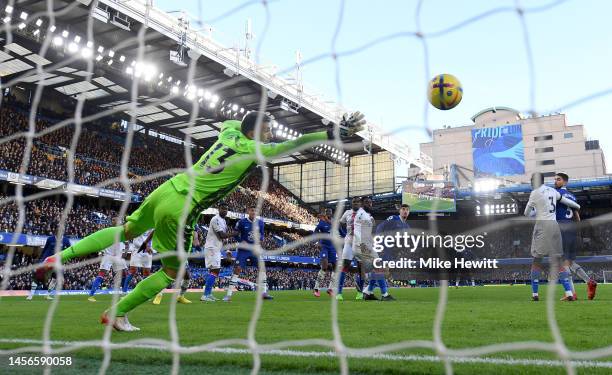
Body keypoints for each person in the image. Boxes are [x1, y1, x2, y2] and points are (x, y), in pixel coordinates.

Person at [42, 111, 365, 331]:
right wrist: (332, 132)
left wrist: (246, 121)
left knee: (127, 230)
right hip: (184, 206)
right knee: (171, 272)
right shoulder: (255, 149)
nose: (269, 133)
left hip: (166, 189)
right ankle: (117, 314)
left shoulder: (228, 131)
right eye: (265, 128)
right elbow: (294, 144)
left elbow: (228, 121)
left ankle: (61, 256)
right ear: (254, 131)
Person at [525, 173, 580, 302]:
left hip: (542, 227)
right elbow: (573, 204)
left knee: (536, 260)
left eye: (532, 181)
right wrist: (577, 207)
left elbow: (526, 213)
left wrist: (536, 210)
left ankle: (535, 294)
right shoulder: (552, 191)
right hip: (555, 227)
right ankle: (568, 292)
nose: (531, 183)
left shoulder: (535, 193)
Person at [554, 172, 597, 300]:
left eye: (558, 179)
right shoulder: (572, 196)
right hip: (571, 229)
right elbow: (577, 215)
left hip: (561, 227)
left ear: (565, 182)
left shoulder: (557, 194)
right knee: (569, 262)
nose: (555, 181)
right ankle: (589, 282)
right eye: (555, 179)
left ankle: (571, 293)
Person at [226, 205, 272, 301]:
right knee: (237, 269)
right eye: (252, 210)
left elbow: (262, 235)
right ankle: (228, 295)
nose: (253, 212)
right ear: (248, 211)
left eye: (255, 211)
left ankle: (264, 293)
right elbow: (235, 234)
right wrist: (240, 240)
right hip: (243, 250)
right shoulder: (241, 222)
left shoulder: (260, 223)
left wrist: (260, 239)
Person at [201, 203, 236, 302]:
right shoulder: (215, 219)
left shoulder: (223, 221)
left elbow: (223, 239)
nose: (225, 210)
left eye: (226, 209)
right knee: (216, 270)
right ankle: (205, 295)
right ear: (218, 209)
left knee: (213, 271)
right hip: (212, 248)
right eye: (223, 208)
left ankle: (208, 294)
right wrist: (235, 233)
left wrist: (228, 250)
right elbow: (222, 235)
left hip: (216, 248)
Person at [88, 217, 128, 302]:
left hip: (118, 256)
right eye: (113, 220)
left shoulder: (122, 231)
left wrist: (125, 252)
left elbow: (127, 243)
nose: (115, 221)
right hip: (108, 256)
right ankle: (91, 296)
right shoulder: (107, 231)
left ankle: (124, 294)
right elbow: (101, 242)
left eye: (116, 219)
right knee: (101, 274)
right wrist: (100, 253)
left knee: (125, 273)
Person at [27, 227, 71, 300]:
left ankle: (47, 295)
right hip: (47, 261)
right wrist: (41, 259)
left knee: (55, 279)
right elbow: (45, 249)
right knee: (37, 277)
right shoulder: (50, 239)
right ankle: (31, 295)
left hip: (57, 262)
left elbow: (70, 249)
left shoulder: (66, 240)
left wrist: (67, 258)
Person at [336, 197, 363, 301]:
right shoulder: (347, 212)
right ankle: (339, 293)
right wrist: (344, 234)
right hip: (349, 243)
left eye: (357, 202)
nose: (355, 203)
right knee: (344, 266)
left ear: (360, 204)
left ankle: (360, 292)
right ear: (352, 204)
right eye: (354, 202)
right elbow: (340, 223)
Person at [313, 208, 339, 297]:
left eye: (330, 212)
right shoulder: (322, 223)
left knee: (335, 267)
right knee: (324, 266)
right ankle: (316, 288)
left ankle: (330, 289)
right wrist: (317, 242)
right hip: (324, 246)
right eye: (327, 212)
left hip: (332, 247)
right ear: (325, 213)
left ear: (332, 214)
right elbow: (315, 231)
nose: (329, 213)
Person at [122, 230, 154, 294]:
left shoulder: (152, 225)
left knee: (147, 272)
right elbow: (135, 241)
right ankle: (124, 291)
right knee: (133, 270)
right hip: (137, 251)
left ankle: (145, 291)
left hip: (147, 252)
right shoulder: (139, 224)